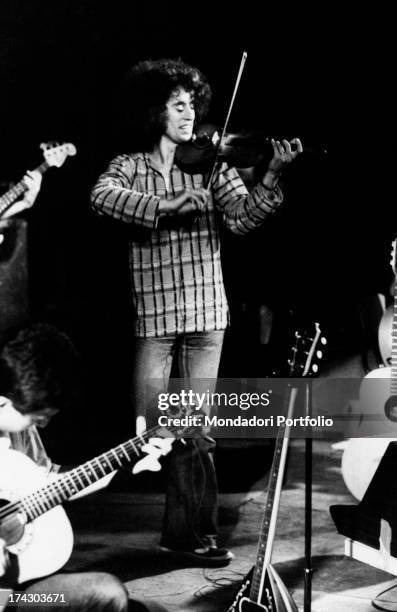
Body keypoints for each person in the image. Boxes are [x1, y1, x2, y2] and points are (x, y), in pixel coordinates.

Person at [90, 58, 303, 565]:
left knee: (198, 433)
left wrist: (269, 175)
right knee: (152, 432)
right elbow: (101, 198)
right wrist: (167, 206)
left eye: (193, 105)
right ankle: (175, 529)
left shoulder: (215, 164)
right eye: (178, 104)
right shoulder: (129, 166)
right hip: (157, 318)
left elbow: (242, 220)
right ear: (154, 110)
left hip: (207, 313)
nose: (189, 115)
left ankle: (190, 536)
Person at [0, 323, 168, 612]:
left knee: (114, 598)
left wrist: (125, 467)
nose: (43, 425)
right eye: (37, 418)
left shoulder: (18, 433)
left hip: (11, 596)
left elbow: (48, 485)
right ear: (2, 402)